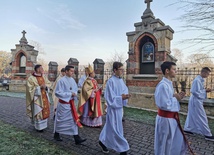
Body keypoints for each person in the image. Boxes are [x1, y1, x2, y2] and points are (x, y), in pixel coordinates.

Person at [154, 61, 192, 155]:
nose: (176, 71)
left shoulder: (168, 84)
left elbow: (169, 98)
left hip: (171, 119)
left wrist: (176, 96)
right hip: (165, 120)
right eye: (174, 69)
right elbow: (164, 104)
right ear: (167, 71)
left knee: (172, 143)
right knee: (163, 144)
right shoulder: (163, 85)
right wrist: (176, 98)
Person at [99, 62, 130, 155]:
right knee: (116, 129)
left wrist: (126, 96)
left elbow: (124, 91)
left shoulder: (121, 81)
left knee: (110, 126)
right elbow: (110, 98)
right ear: (115, 70)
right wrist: (121, 98)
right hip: (113, 109)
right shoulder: (110, 82)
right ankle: (123, 149)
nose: (122, 71)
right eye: (120, 69)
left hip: (119, 109)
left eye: (122, 69)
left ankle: (102, 140)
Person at [53, 65, 86, 145]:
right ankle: (56, 134)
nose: (72, 72)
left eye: (73, 71)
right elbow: (57, 93)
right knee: (60, 120)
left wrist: (74, 93)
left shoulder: (72, 80)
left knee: (73, 121)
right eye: (71, 71)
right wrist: (70, 94)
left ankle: (76, 138)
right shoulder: (61, 81)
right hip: (63, 105)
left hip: (70, 104)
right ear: (66, 71)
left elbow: (74, 89)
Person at [184, 67, 214, 141]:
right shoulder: (197, 80)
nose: (208, 75)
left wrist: (205, 90)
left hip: (196, 100)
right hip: (195, 101)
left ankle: (188, 129)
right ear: (203, 72)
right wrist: (205, 91)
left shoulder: (200, 80)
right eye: (207, 74)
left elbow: (198, 90)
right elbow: (194, 91)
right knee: (202, 116)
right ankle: (207, 134)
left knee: (191, 115)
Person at [26, 64, 51, 132]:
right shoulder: (31, 78)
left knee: (44, 110)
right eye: (41, 68)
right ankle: (39, 127)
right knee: (38, 111)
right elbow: (29, 89)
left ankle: (44, 126)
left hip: (44, 96)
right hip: (37, 99)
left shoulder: (44, 77)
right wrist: (39, 87)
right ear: (37, 69)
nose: (42, 69)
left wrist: (45, 87)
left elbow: (48, 83)